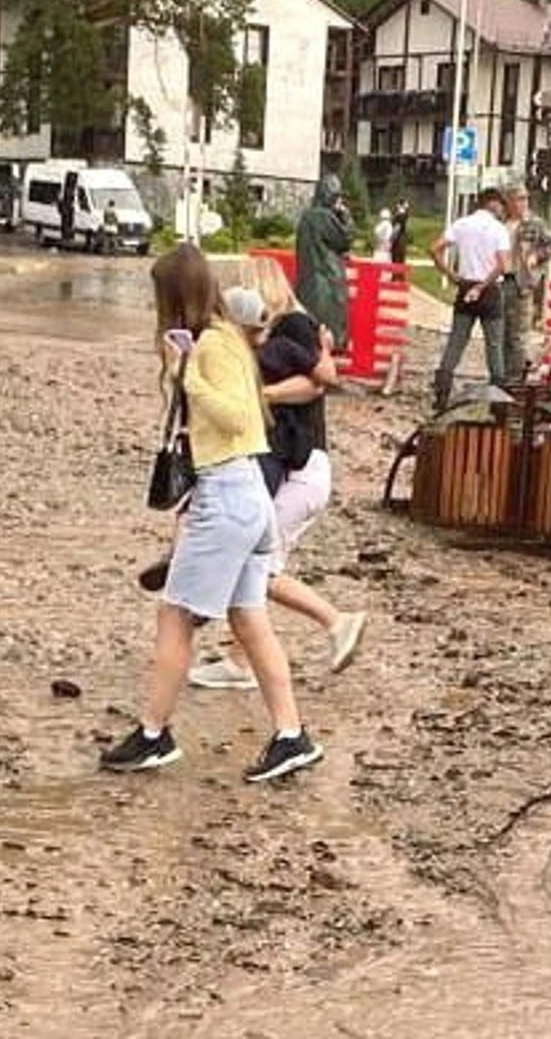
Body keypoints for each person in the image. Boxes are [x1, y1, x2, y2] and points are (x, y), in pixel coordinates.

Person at [100, 244, 324, 783]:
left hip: (226, 494)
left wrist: (188, 375)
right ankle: (291, 735)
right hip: (244, 493)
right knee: (248, 617)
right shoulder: (226, 337)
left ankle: (154, 734)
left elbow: (239, 414)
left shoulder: (211, 348)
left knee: (176, 614)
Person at [190, 261, 368, 690]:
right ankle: (239, 661)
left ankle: (336, 621)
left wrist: (256, 394)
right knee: (253, 565)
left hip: (302, 469)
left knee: (261, 569)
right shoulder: (297, 329)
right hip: (302, 468)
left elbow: (319, 382)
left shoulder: (291, 328)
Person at [429, 188, 515, 411]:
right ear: (493, 204)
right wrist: (484, 284)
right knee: (494, 346)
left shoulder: (462, 224)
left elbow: (434, 249)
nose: (503, 209)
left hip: (465, 286)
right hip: (490, 290)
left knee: (456, 342)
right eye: (501, 205)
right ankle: (498, 403)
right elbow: (504, 266)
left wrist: (452, 275)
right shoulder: (498, 230)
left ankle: (441, 394)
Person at [295, 175, 354, 351]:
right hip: (326, 277)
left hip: (308, 276)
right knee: (329, 319)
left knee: (309, 317)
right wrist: (345, 216)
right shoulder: (323, 216)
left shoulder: (307, 216)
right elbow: (345, 239)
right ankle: (331, 347)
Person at [504, 183, 551, 382]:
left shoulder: (534, 223)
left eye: (525, 198)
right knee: (501, 331)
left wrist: (537, 255)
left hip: (522, 282)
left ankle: (516, 378)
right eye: (519, 198)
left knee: (519, 334)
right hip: (499, 280)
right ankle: (501, 374)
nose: (523, 203)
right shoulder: (501, 222)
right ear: (508, 201)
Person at [389, 200, 411, 266]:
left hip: (398, 239)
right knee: (401, 260)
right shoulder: (405, 215)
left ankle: (396, 275)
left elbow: (397, 228)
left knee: (396, 259)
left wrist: (391, 239)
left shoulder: (400, 216)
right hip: (403, 238)